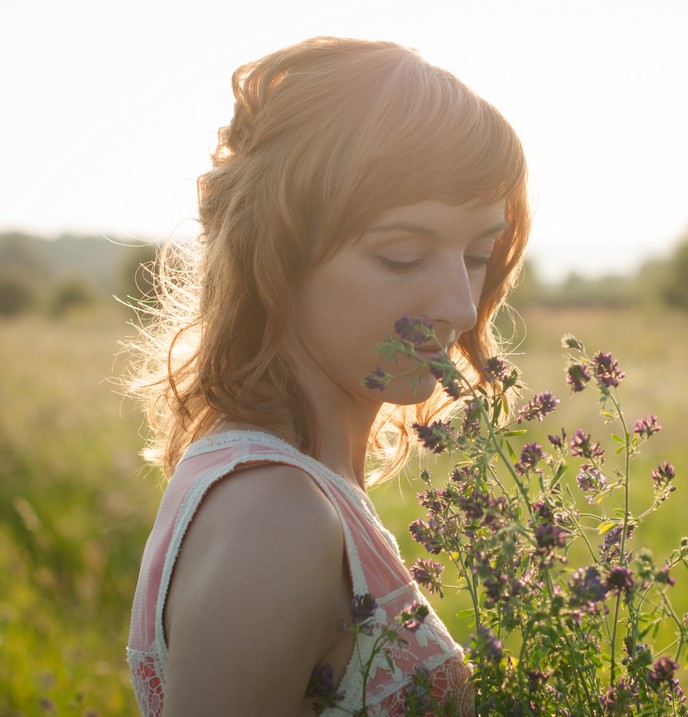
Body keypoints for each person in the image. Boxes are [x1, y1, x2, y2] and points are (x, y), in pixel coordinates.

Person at [126, 36, 530, 716]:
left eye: (477, 254)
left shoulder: (302, 491)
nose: (461, 307)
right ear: (276, 258)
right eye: (402, 256)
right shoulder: (275, 515)